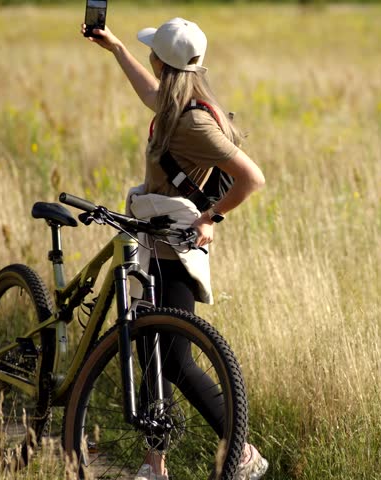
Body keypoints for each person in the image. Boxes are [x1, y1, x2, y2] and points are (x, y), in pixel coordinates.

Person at [82, 17, 267, 480]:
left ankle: (243, 453)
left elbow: (252, 177)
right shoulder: (176, 102)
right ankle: (154, 465)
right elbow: (150, 93)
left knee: (177, 361)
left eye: (150, 53)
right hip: (154, 245)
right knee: (153, 356)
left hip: (175, 252)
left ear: (162, 62)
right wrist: (117, 48)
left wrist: (213, 216)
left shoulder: (194, 123)